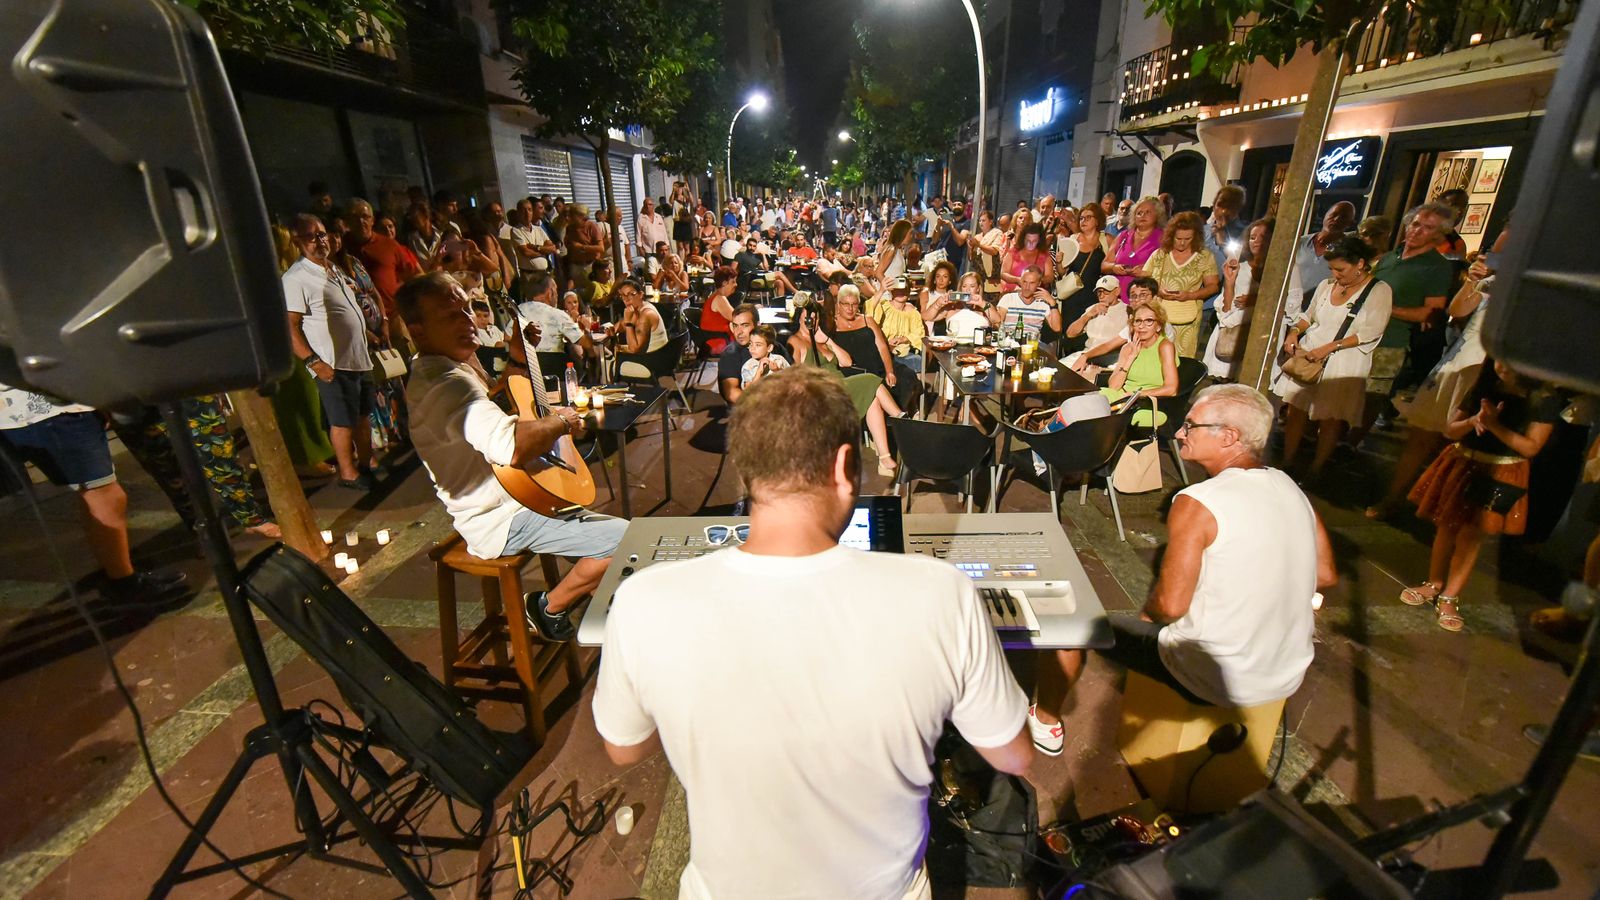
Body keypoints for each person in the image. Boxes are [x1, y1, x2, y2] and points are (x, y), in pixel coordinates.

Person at [593, 367, 1032, 898]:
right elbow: (1014, 756)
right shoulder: (943, 595)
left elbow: (623, 748)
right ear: (846, 468)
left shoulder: (644, 602)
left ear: (745, 474)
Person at [1026, 385, 1335, 752]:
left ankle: (1045, 722)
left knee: (1064, 620)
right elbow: (1326, 575)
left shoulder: (1197, 501)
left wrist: (1143, 622)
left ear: (1229, 437)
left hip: (1211, 677)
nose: (1178, 433)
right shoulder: (1288, 486)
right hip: (1286, 672)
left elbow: (1169, 607)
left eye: (1190, 426)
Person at [398, 272, 627, 640]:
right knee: (628, 541)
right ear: (419, 330)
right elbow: (511, 446)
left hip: (518, 494)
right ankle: (547, 606)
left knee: (602, 529)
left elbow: (492, 403)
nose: (466, 321)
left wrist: (518, 360)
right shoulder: (445, 384)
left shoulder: (450, 366)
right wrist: (562, 421)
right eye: (449, 315)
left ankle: (597, 585)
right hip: (499, 518)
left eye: (467, 309)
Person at [1400, 362, 1560, 632]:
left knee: (1471, 535)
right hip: (1464, 460)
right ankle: (1433, 583)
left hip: (1503, 470)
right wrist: (1473, 421)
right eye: (1498, 359)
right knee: (1445, 525)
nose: (1501, 367)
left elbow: (1531, 447)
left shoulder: (1545, 399)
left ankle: (1450, 596)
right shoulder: (1484, 386)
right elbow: (1450, 429)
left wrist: (1494, 426)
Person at [0, 384, 188, 604]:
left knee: (93, 493)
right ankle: (123, 583)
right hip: (53, 407)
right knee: (104, 494)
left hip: (24, 410)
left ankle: (117, 572)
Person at [1369, 228, 1508, 520]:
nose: (1499, 256)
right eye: (1497, 249)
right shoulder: (1488, 281)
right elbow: (1456, 311)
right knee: (1421, 435)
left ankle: (1436, 508)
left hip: (1490, 369)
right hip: (1459, 361)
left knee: (1459, 446)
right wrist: (1473, 280)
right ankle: (1392, 498)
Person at [1275, 235, 1394, 479]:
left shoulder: (1378, 291)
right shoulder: (1326, 285)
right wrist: (1294, 333)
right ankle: (1287, 460)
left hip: (1344, 361)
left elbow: (1372, 331)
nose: (1335, 274)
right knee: (1296, 409)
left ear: (1360, 264)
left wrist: (1331, 346)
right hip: (1311, 355)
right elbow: (1308, 316)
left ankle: (1316, 468)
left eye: (1340, 269)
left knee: (1330, 417)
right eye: (1332, 269)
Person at [283, 214, 377, 490]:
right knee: (342, 420)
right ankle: (348, 474)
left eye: (322, 234)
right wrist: (313, 361)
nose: (320, 241)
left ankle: (364, 464)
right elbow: (290, 326)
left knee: (362, 416)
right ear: (297, 240)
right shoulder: (296, 278)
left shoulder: (332, 268)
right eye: (311, 236)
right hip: (333, 362)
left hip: (358, 357)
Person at [1372, 203, 1457, 401]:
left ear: (1439, 234)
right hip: (1361, 337)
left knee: (1370, 402)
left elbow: (1430, 314)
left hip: (1391, 344)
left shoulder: (1437, 267)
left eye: (1428, 228)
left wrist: (1387, 308)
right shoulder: (1389, 258)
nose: (1417, 231)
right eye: (1415, 223)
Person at [1201, 217, 1276, 381]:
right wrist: (1229, 281)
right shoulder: (1239, 267)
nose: (1256, 242)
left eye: (1263, 237)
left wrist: (1257, 300)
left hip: (1258, 334)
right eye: (1252, 237)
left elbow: (1287, 303)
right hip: (1231, 331)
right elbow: (1226, 307)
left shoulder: (1280, 270)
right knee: (1221, 385)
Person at [1144, 211, 1219, 357]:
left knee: (1182, 360)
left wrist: (1190, 295)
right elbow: (1144, 281)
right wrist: (1158, 290)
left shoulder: (1204, 257)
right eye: (1178, 238)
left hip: (1188, 319)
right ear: (1171, 235)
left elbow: (1213, 286)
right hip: (1159, 316)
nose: (1182, 242)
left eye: (1187, 238)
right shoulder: (1160, 254)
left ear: (1196, 237)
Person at [1101, 299, 1179, 427]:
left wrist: (1137, 394)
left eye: (1149, 321)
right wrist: (1131, 357)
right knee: (1093, 400)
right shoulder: (1127, 348)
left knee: (1104, 415)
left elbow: (1171, 389)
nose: (1142, 326)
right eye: (1138, 321)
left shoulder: (1165, 346)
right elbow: (1113, 387)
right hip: (1122, 397)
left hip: (1149, 404)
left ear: (1158, 326)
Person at [1292, 202, 1356, 326]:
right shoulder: (1300, 243)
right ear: (1326, 215)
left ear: (1349, 223)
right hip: (1288, 311)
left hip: (1316, 318)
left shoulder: (1348, 253)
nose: (1336, 219)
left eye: (1343, 217)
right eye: (1334, 214)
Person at [1199, 185, 1248, 342]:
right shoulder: (1203, 230)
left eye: (1229, 207)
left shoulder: (1244, 232)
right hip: (1198, 296)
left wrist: (1222, 239)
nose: (1223, 211)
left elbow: (1237, 262)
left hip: (1222, 300)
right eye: (1220, 205)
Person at [516, 272, 595, 368]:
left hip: (523, 371)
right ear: (550, 293)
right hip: (553, 372)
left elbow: (507, 338)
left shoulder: (517, 310)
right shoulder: (558, 315)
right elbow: (586, 343)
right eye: (556, 291)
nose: (558, 295)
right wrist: (587, 328)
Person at [1064, 275, 1130, 374]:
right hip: (1087, 353)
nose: (1102, 295)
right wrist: (1088, 315)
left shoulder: (1127, 311)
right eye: (1099, 292)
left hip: (1110, 358)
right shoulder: (1092, 309)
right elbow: (1070, 334)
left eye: (1106, 291)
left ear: (1117, 291)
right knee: (1058, 369)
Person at [1104, 196, 1165, 301]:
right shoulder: (1123, 236)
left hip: (1143, 299)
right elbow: (1104, 265)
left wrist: (1146, 272)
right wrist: (1114, 267)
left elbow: (1168, 270)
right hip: (1116, 298)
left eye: (1148, 212)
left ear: (1158, 215)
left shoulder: (1164, 239)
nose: (1142, 215)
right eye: (1139, 212)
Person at [991, 266, 1062, 342]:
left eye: (1032, 283)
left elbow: (1057, 328)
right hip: (1009, 342)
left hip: (1031, 344)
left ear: (1039, 283)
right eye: (1024, 282)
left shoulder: (1043, 303)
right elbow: (997, 323)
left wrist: (1052, 302)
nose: (1027, 287)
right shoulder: (1008, 298)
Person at [873, 277, 928, 372]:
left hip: (905, 353)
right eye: (898, 289)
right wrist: (881, 290)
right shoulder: (883, 307)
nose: (901, 292)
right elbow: (870, 317)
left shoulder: (913, 313)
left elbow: (919, 333)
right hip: (883, 351)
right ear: (891, 290)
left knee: (917, 361)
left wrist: (903, 339)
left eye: (905, 289)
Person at [717, 304, 762, 405]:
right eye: (735, 326)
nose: (739, 332)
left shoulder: (773, 346)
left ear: (757, 325)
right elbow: (732, 393)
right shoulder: (730, 355)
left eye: (745, 325)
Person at [1000, 223, 1055, 290]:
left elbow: (1050, 277)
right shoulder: (1014, 251)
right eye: (1028, 240)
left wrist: (1034, 280)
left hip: (1035, 295)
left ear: (1039, 241)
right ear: (1023, 239)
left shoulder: (1044, 255)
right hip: (1012, 293)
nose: (1030, 244)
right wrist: (1017, 280)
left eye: (1034, 241)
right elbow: (1003, 273)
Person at [701, 265, 740, 355]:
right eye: (733, 282)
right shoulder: (719, 299)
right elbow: (736, 319)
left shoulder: (716, 296)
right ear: (724, 283)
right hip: (718, 342)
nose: (736, 284)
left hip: (715, 339)